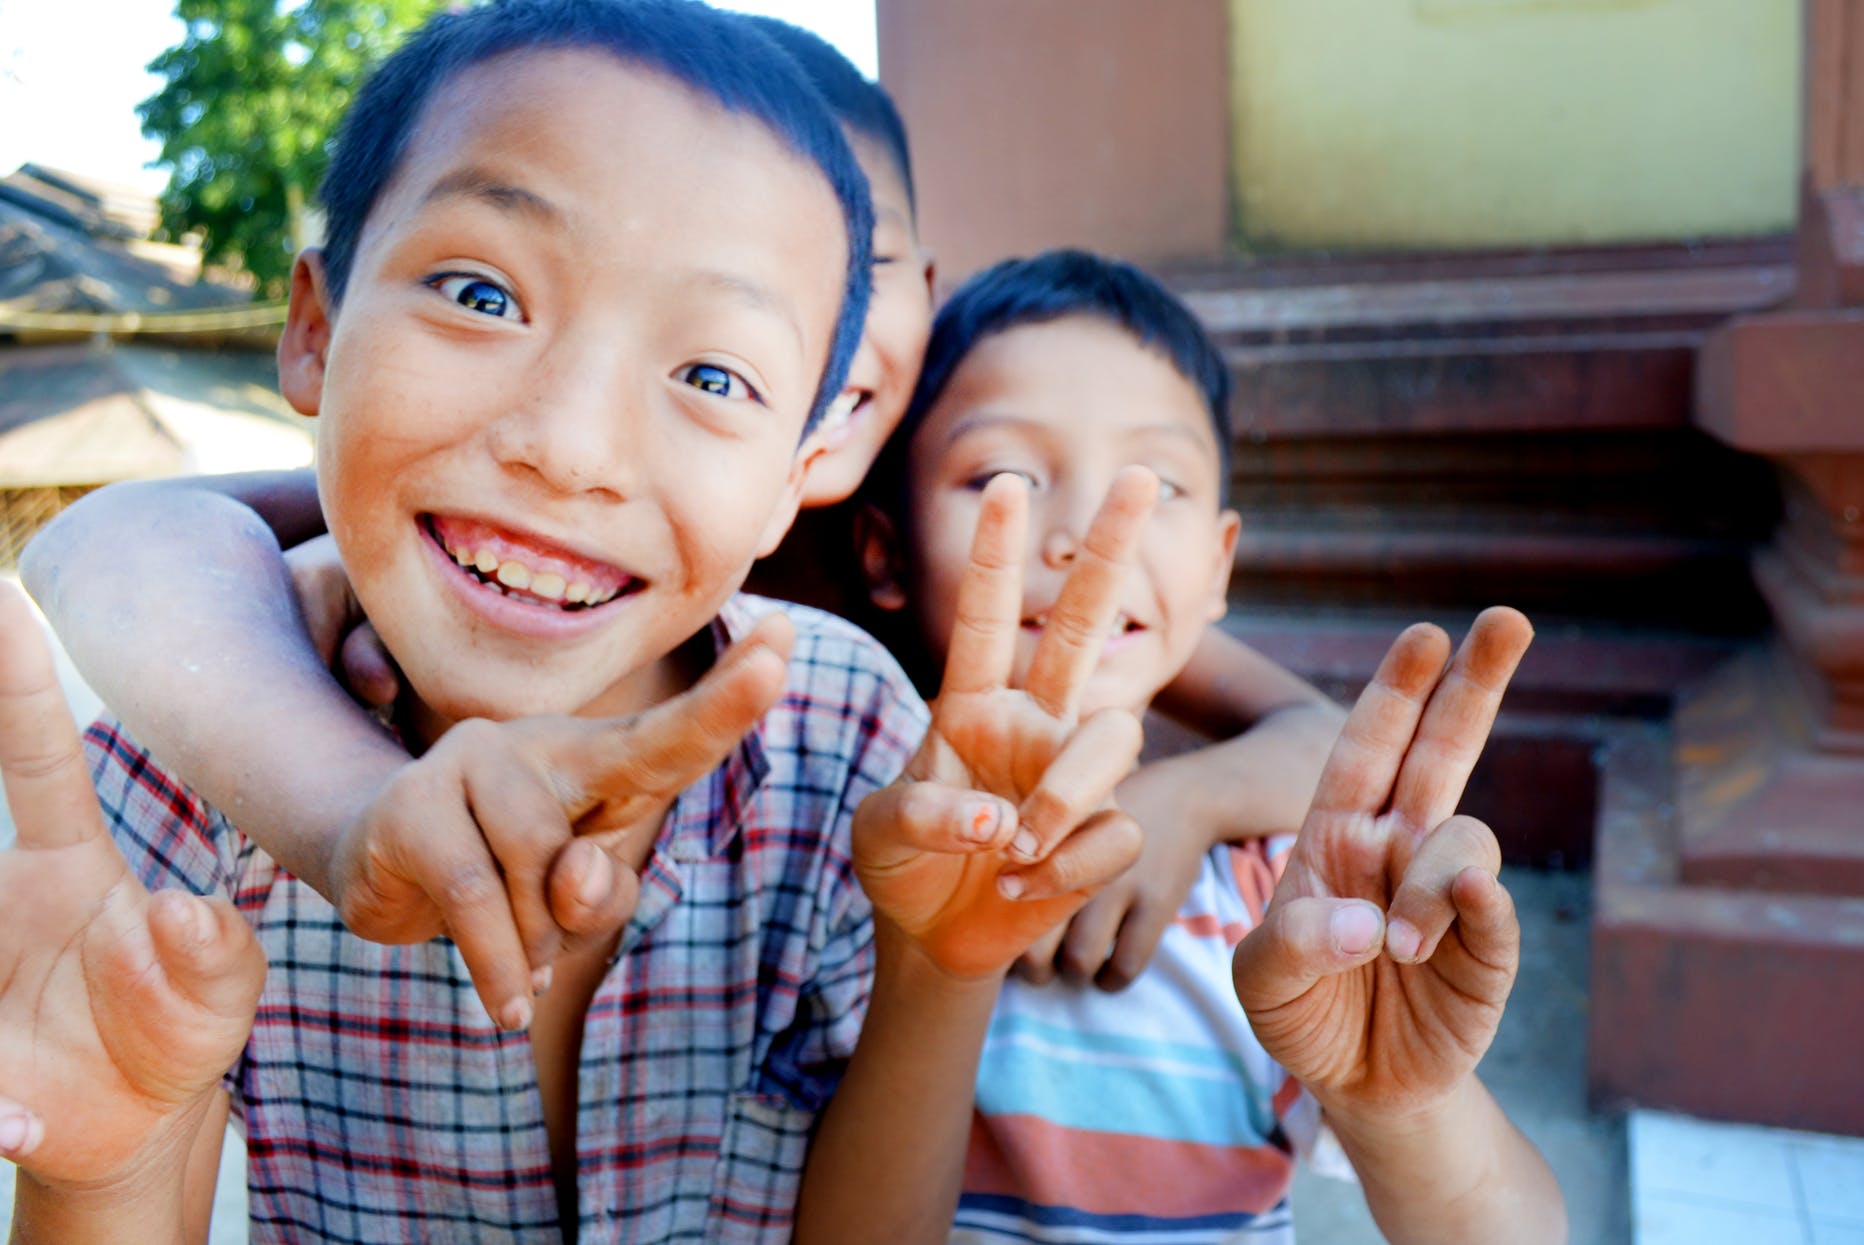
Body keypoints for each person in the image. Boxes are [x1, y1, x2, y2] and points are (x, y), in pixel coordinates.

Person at [22, 18, 1342, 1012]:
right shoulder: (548, 501)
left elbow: (1312, 732)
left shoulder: (972, 528)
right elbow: (112, 544)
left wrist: (1182, 803)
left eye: (862, 260)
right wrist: (335, 725)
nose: (575, 448)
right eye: (484, 296)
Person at [0, 1, 965, 1238]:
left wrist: (945, 969)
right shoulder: (188, 765)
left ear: (796, 474)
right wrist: (96, 1175)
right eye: (481, 294)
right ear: (313, 333)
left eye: (711, 376)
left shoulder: (844, 746)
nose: (569, 448)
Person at [791, 252, 1569, 1244]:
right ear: (885, 551)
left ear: (1217, 564)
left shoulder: (1282, 899)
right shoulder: (843, 858)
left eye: (1158, 485)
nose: (1088, 534)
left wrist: (1406, 1107)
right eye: (1003, 476)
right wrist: (937, 970)